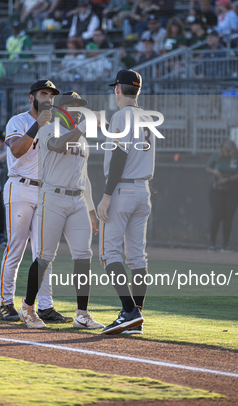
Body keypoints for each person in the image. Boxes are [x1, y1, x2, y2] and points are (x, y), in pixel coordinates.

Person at [18, 91, 104, 330]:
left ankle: (82, 314)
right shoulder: (49, 127)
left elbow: (84, 177)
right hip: (53, 197)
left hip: (77, 200)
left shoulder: (82, 137)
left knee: (83, 256)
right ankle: (27, 308)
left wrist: (91, 209)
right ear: (61, 108)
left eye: (80, 106)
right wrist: (84, 127)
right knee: (45, 256)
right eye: (72, 106)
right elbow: (57, 146)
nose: (77, 110)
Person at [0, 79, 72, 324]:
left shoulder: (55, 125)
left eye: (51, 95)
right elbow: (17, 151)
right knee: (16, 247)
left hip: (45, 192)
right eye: (43, 93)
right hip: (19, 188)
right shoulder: (18, 121)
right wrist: (37, 127)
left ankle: (46, 306)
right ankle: (6, 303)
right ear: (31, 97)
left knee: (44, 253)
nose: (48, 98)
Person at [97, 69, 154, 335]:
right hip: (143, 190)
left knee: (110, 255)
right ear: (138, 90)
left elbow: (119, 157)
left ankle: (129, 311)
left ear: (118, 89)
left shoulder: (121, 116)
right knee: (137, 257)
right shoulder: (147, 118)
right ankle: (136, 316)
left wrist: (106, 197)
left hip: (122, 191)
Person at [205, 140, 238, 253]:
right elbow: (208, 167)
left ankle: (225, 245)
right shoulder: (217, 156)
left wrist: (227, 179)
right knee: (216, 215)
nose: (224, 153)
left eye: (227, 151)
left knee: (228, 217)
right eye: (223, 150)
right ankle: (212, 244)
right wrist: (216, 173)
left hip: (231, 188)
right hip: (217, 188)